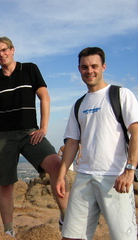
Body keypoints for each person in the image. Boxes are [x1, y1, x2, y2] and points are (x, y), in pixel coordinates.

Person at [0, 36, 69, 236]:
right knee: (6, 184)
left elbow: (44, 97)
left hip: (30, 133)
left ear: (12, 50)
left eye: (4, 50)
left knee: (57, 167)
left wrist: (43, 127)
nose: (1, 55)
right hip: (2, 136)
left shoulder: (30, 69)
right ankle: (8, 231)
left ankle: (66, 219)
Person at [56, 47, 138, 240]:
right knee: (71, 236)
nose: (89, 71)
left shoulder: (121, 94)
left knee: (123, 237)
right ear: (79, 69)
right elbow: (72, 142)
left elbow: (136, 132)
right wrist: (61, 175)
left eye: (94, 66)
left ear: (103, 67)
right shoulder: (79, 104)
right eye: (84, 67)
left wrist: (129, 170)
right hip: (84, 177)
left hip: (115, 177)